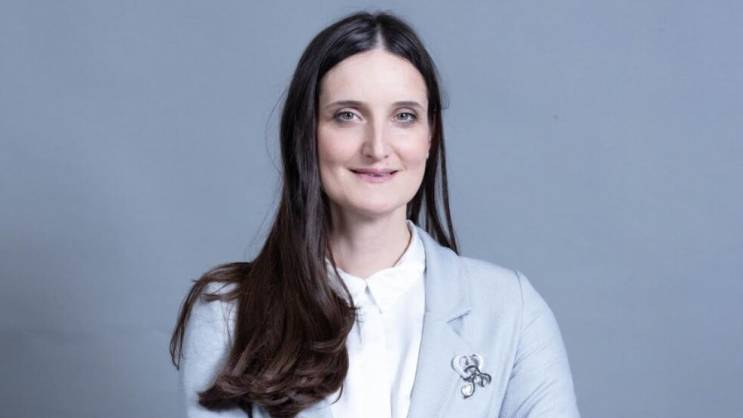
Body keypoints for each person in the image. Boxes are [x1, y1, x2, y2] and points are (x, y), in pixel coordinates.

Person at [169, 10, 581, 418]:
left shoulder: (512, 310)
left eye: (404, 116)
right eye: (347, 115)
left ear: (430, 135)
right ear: (306, 132)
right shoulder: (229, 314)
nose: (377, 147)